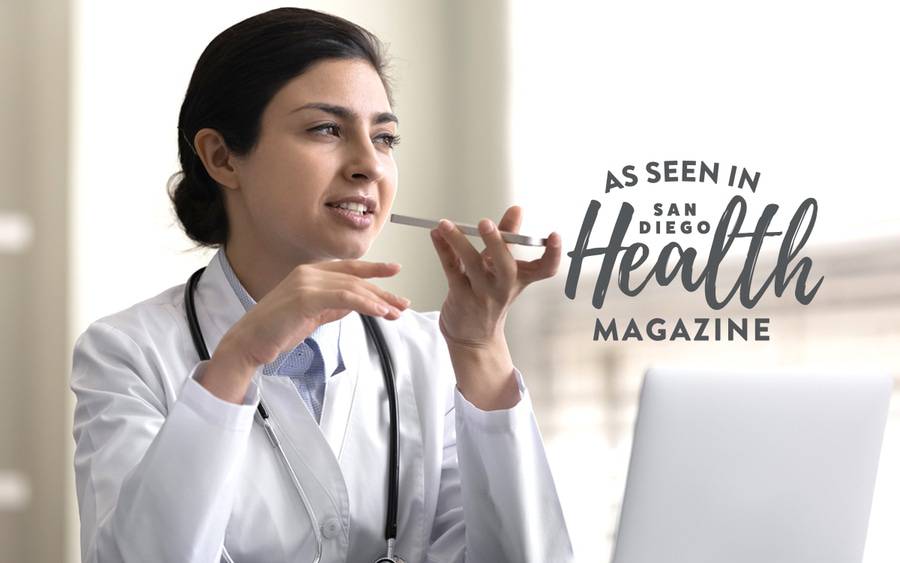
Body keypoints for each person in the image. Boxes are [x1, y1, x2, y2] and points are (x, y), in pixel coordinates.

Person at [70, 7, 573, 563]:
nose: (369, 166)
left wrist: (481, 351)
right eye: (326, 129)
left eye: (384, 138)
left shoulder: (432, 354)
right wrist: (237, 361)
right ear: (221, 157)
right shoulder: (128, 354)